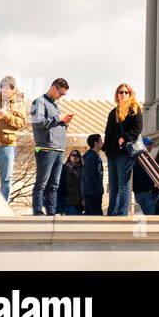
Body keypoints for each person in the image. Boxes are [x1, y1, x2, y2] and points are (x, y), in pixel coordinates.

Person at [29, 78, 74, 216]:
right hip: (46, 148)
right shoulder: (39, 102)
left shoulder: (55, 105)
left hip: (59, 148)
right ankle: (38, 212)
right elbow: (38, 123)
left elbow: (54, 124)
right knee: (42, 183)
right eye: (61, 93)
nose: (62, 96)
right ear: (54, 88)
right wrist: (59, 119)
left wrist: (64, 122)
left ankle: (51, 212)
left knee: (54, 185)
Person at [103, 82, 143, 216]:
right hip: (112, 154)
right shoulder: (113, 112)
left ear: (130, 94)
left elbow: (137, 129)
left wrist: (124, 138)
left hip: (125, 153)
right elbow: (108, 133)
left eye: (126, 92)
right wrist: (106, 148)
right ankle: (111, 213)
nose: (124, 94)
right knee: (113, 187)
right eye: (121, 92)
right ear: (117, 95)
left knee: (123, 186)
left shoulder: (134, 109)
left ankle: (121, 214)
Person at [131, 138, 159, 215]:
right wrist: (150, 189)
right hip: (145, 193)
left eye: (150, 144)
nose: (150, 146)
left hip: (142, 192)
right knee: (150, 217)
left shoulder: (138, 158)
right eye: (148, 144)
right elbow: (140, 176)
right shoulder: (141, 159)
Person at [81, 134, 105, 216]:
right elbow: (89, 176)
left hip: (95, 192)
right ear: (96, 143)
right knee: (96, 216)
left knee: (90, 215)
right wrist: (97, 188)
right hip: (92, 193)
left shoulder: (96, 156)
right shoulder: (90, 157)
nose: (102, 143)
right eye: (101, 141)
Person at [57, 149, 84, 215]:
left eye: (77, 156)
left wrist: (84, 198)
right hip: (68, 202)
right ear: (70, 157)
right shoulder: (65, 169)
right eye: (73, 155)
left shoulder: (82, 170)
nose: (75, 157)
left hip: (79, 203)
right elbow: (61, 186)